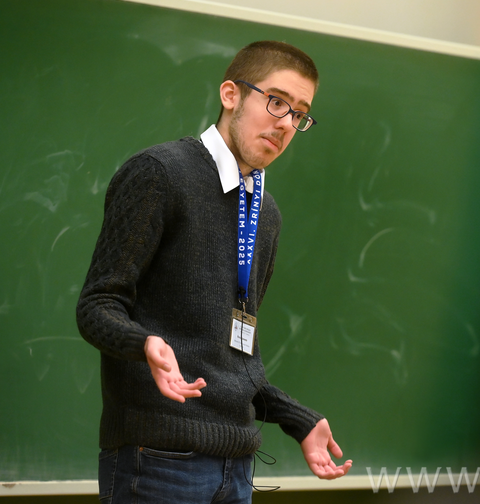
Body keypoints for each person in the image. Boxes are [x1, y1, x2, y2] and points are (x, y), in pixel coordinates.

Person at [77, 40, 352, 503]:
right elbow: (96, 306)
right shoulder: (160, 173)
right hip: (158, 460)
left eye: (299, 114)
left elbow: (233, 358)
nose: (286, 123)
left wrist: (297, 419)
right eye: (276, 101)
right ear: (230, 94)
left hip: (236, 468)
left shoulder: (265, 213)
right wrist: (144, 344)